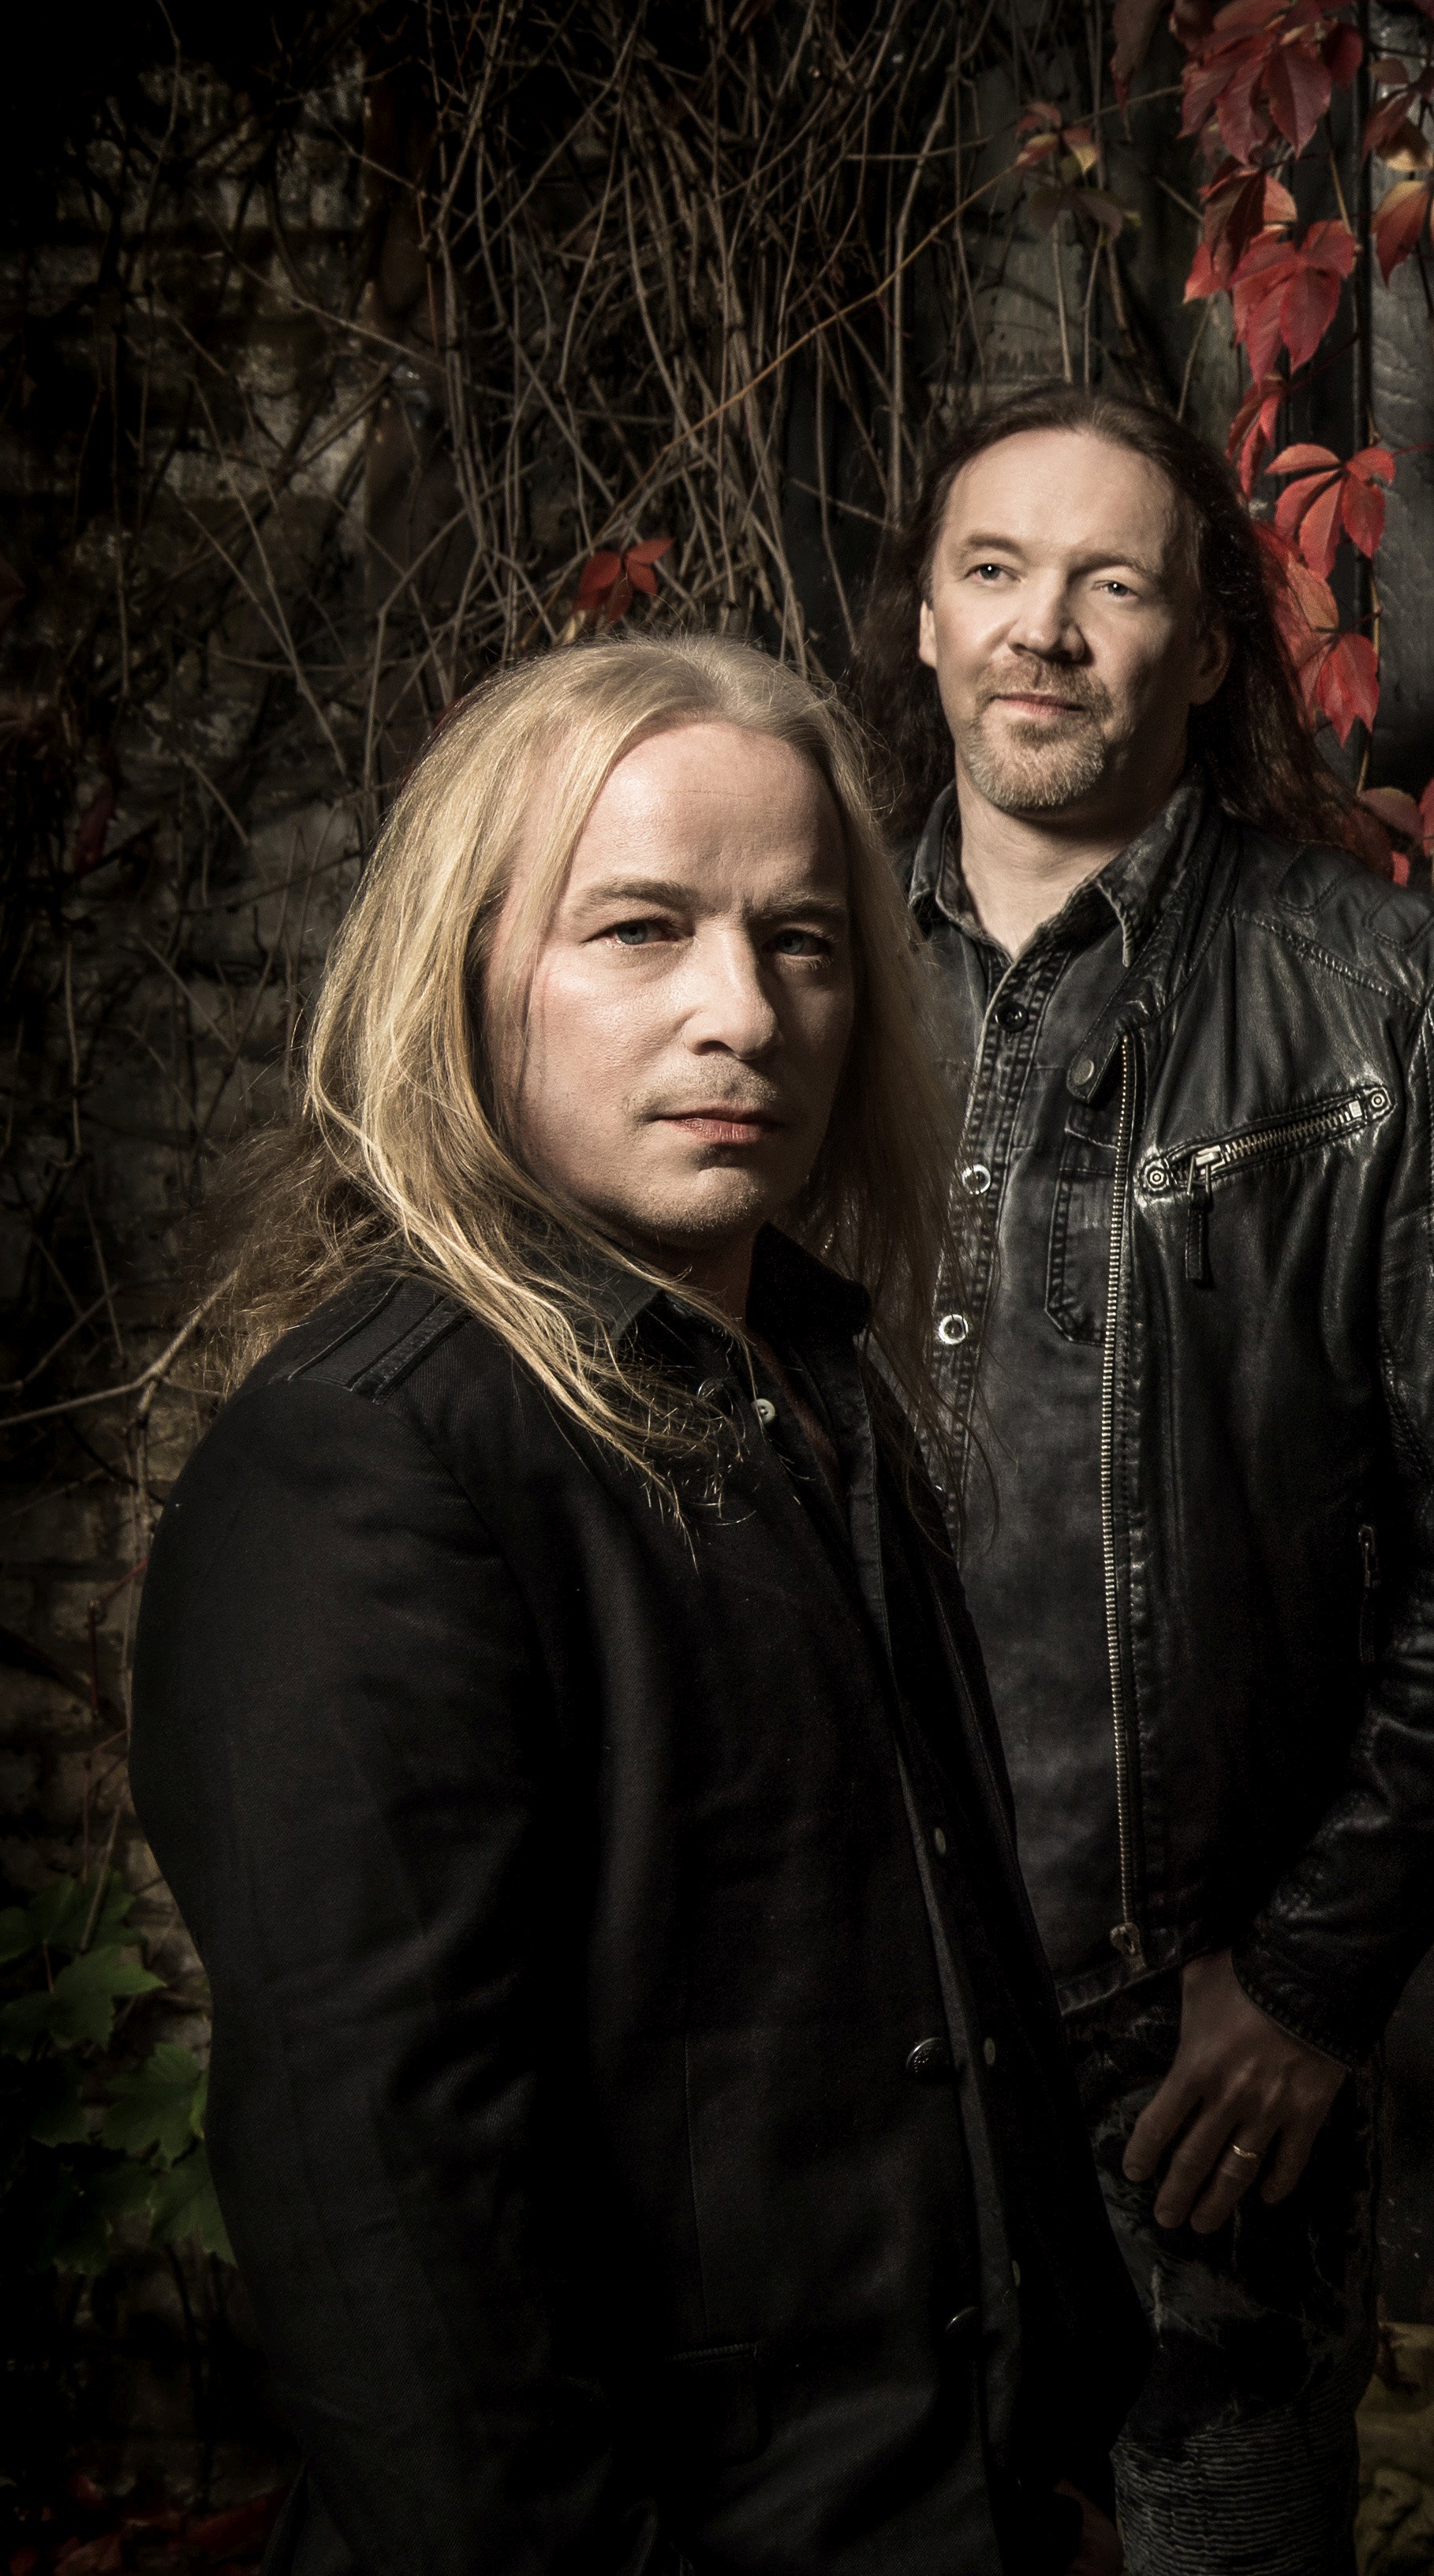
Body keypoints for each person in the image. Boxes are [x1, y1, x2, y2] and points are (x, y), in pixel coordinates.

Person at [134, 634, 1145, 2571]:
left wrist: (1045, 2468)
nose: (740, 1014)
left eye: (800, 941)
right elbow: (393, 2246)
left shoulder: (815, 1395)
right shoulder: (365, 1466)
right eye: (639, 930)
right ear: (467, 976)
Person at [848, 385, 1434, 2573]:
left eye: (1113, 582)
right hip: (843, 2028)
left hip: (1183, 2071)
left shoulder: (1394, 1000)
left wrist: (1308, 1984)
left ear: (1202, 646)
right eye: (994, 572)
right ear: (922, 621)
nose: (1043, 628)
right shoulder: (793, 973)